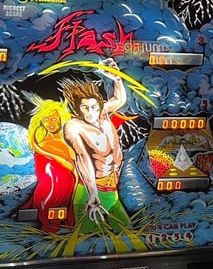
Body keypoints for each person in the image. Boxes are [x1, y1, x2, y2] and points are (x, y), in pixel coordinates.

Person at [61, 58, 132, 234]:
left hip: (111, 190)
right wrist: (92, 194)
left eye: (93, 107)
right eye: (85, 108)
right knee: (88, 244)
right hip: (91, 194)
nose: (90, 112)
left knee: (128, 236)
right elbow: (83, 159)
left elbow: (119, 99)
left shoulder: (103, 114)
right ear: (77, 109)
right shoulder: (74, 126)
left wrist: (116, 79)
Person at [21, 98, 76, 232]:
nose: (50, 123)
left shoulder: (68, 139)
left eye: (53, 118)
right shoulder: (40, 141)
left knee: (58, 224)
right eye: (46, 119)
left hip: (66, 189)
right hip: (47, 190)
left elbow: (72, 166)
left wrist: (43, 151)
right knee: (47, 218)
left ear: (60, 118)